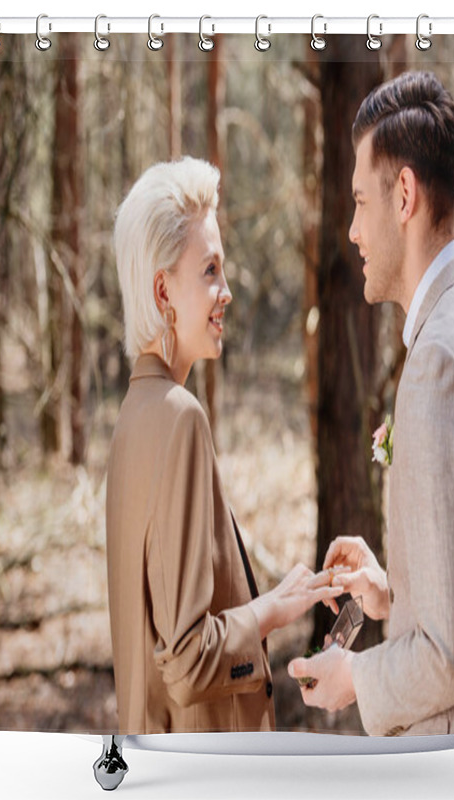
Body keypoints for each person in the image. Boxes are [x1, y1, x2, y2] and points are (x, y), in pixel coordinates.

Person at [288, 72, 454, 737]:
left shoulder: (437, 363)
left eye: (358, 202)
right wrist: (392, 593)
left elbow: (446, 661)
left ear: (402, 194)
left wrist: (355, 677)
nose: (352, 229)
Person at [106, 157, 342, 734]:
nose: (227, 292)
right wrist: (273, 612)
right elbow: (186, 661)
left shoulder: (132, 419)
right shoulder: (180, 419)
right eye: (209, 271)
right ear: (163, 290)